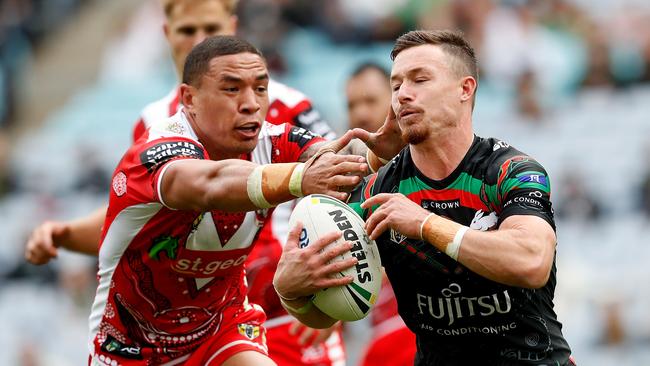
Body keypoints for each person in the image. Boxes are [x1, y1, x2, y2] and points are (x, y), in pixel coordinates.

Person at [24, 0, 345, 364]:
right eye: (188, 31)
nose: (199, 40)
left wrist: (328, 289)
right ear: (167, 35)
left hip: (264, 308)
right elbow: (143, 213)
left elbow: (340, 174)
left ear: (233, 28)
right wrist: (67, 234)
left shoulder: (285, 108)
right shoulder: (153, 127)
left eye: (210, 29)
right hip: (140, 336)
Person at [273, 30, 576, 365]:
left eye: (419, 80)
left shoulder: (509, 171)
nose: (403, 94)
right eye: (397, 84)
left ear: (465, 89)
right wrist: (293, 294)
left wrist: (426, 224)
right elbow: (324, 318)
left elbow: (531, 262)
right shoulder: (377, 191)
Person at [88, 35, 367, 366]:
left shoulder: (275, 141)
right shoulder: (157, 152)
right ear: (188, 99)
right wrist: (300, 178)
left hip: (221, 330)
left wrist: (383, 153)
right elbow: (210, 183)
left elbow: (337, 157)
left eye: (260, 89)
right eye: (232, 89)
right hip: (131, 345)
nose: (250, 103)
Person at [345, 61, 416, 366]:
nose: (360, 113)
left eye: (370, 101)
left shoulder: (434, 166)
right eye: (351, 104)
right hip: (384, 338)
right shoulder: (344, 184)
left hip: (427, 330)